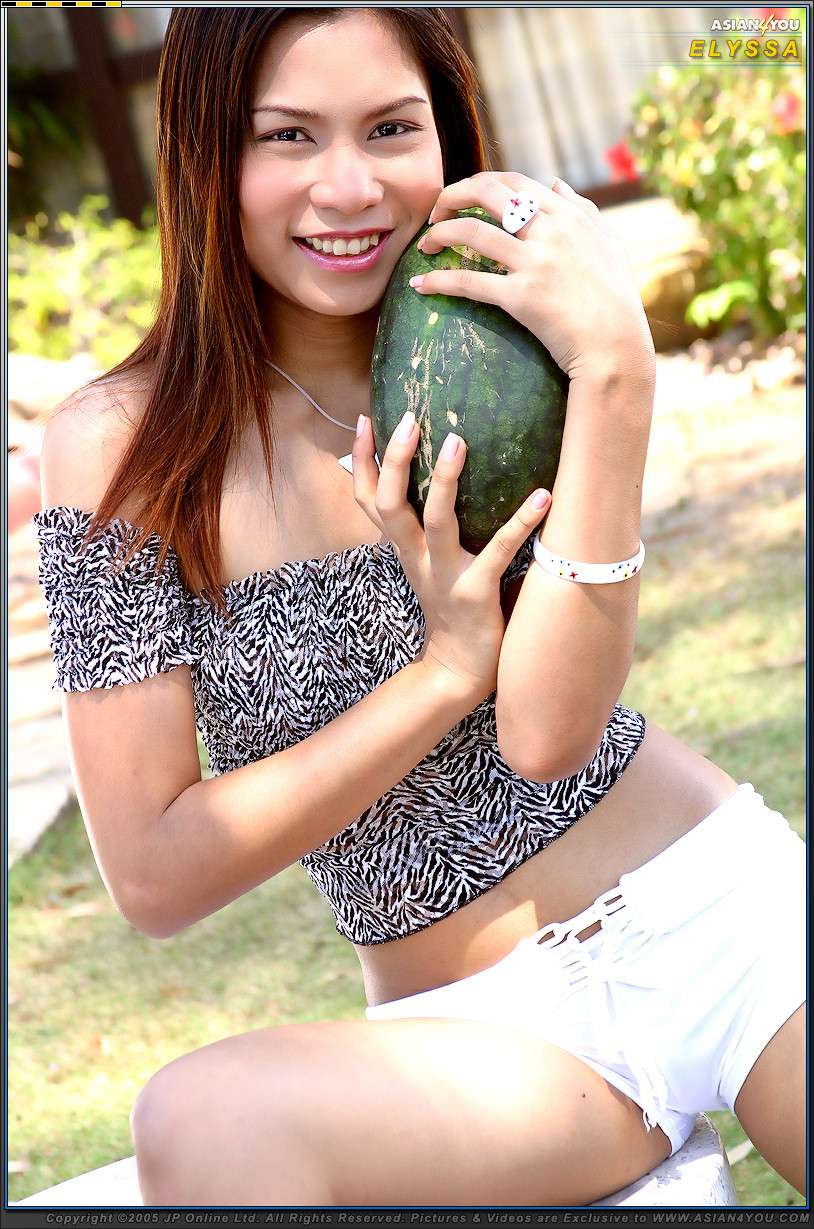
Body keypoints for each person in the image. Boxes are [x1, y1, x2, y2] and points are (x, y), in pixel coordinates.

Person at [33, 7, 804, 1208]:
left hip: (718, 915)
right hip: (488, 1041)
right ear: (203, 153)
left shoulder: (509, 335)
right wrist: (442, 670)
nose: (349, 187)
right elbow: (155, 875)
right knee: (197, 1115)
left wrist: (616, 373)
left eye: (391, 129)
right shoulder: (120, 449)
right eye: (287, 136)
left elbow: (547, 732)